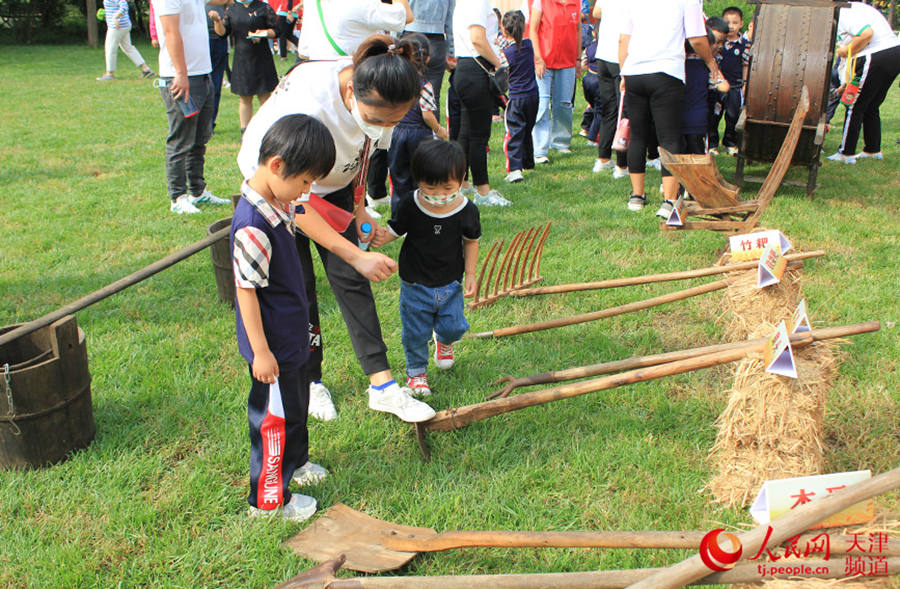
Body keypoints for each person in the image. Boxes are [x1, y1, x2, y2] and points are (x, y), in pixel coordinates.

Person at [238, 35, 436, 424]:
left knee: (352, 280)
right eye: (378, 120)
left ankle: (382, 386)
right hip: (283, 189)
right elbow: (297, 201)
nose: (384, 129)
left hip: (329, 182)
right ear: (349, 92)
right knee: (299, 287)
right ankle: (311, 381)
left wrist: (358, 208)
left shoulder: (372, 86)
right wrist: (355, 252)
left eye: (394, 122)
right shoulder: (310, 108)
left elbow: (362, 152)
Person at [232, 114, 336, 521]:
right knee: (272, 422)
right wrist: (260, 352)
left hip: (290, 341)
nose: (306, 191)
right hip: (270, 350)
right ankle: (269, 501)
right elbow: (247, 293)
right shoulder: (254, 226)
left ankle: (298, 462)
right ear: (276, 166)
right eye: (305, 182)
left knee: (296, 406)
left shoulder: (279, 204)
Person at [371, 140, 480, 397]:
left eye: (448, 187)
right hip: (414, 283)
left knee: (454, 326)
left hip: (450, 282)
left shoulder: (467, 210)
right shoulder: (411, 204)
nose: (440, 194)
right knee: (415, 332)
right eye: (430, 186)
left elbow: (471, 242)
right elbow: (395, 230)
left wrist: (471, 274)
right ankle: (416, 373)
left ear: (462, 179)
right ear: (417, 179)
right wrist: (378, 237)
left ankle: (444, 341)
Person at [618, 0, 723, 217]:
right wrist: (712, 63)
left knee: (638, 135)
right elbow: (697, 38)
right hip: (666, 71)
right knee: (670, 137)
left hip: (634, 71)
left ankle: (637, 196)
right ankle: (669, 200)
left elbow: (623, 39)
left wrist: (623, 72)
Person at [155, 0, 229, 214]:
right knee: (181, 139)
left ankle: (197, 191)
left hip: (203, 74)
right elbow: (170, 32)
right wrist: (181, 73)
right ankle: (178, 197)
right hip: (181, 77)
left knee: (199, 139)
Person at [827, 0, 900, 164]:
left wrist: (845, 50)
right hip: (893, 53)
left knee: (854, 105)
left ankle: (846, 153)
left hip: (876, 54)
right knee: (871, 105)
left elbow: (867, 34)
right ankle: (872, 150)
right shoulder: (856, 8)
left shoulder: (843, 12)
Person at [386, 34, 449, 217]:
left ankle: (398, 217)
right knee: (420, 178)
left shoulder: (395, 80)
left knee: (398, 177)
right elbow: (427, 114)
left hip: (396, 132)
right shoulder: (425, 84)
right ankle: (420, 215)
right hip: (419, 135)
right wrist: (439, 130)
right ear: (427, 58)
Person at [452, 0, 508, 204]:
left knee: (466, 134)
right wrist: (499, 64)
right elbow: (478, 39)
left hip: (466, 69)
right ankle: (483, 191)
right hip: (477, 69)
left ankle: (460, 185)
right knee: (478, 136)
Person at [211, 0, 282, 133]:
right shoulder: (232, 9)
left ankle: (267, 130)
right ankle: (246, 131)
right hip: (242, 58)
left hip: (262, 57)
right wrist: (217, 21)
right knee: (245, 97)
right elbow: (222, 33)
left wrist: (264, 33)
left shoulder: (263, 7)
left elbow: (277, 30)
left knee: (265, 96)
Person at [529, 0, 581, 164]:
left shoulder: (576, 3)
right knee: (542, 105)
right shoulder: (541, 2)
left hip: (567, 62)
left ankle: (560, 142)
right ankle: (539, 149)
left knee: (564, 104)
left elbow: (578, 30)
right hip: (544, 62)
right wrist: (538, 58)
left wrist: (578, 59)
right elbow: (533, 30)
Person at [590, 0, 628, 178]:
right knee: (623, 112)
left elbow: (597, 12)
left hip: (603, 56)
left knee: (608, 110)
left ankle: (603, 158)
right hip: (618, 57)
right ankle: (622, 165)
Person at [501, 10, 538, 183]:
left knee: (514, 132)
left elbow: (499, 71)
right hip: (533, 95)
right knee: (527, 129)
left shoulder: (506, 54)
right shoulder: (530, 45)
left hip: (516, 97)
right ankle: (528, 161)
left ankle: (515, 169)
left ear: (504, 30)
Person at [707, 7, 750, 156]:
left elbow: (746, 65)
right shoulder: (717, 43)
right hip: (717, 86)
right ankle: (712, 144)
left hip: (735, 86)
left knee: (732, 116)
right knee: (714, 116)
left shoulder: (744, 44)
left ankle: (730, 143)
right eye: (727, 22)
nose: (731, 26)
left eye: (735, 22)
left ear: (741, 24)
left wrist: (744, 83)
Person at [403, 0, 456, 119]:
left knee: (405, 91)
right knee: (433, 95)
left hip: (410, 35)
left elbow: (400, 12)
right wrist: (450, 51)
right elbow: (450, 19)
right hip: (436, 40)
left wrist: (394, 41)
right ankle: (434, 134)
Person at [97, 0, 154, 81]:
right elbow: (115, 7)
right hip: (124, 25)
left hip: (116, 27)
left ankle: (109, 73)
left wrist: (116, 17)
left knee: (110, 48)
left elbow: (124, 7)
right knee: (128, 48)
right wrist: (106, 13)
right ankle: (146, 69)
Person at [206, 0, 231, 131]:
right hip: (200, 38)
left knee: (215, 83)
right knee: (198, 83)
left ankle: (209, 123)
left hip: (218, 38)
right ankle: (199, 123)